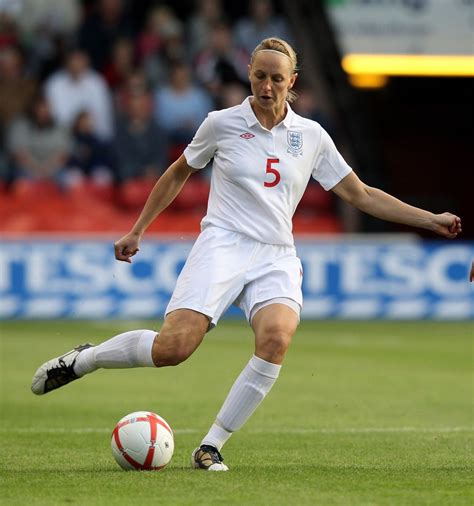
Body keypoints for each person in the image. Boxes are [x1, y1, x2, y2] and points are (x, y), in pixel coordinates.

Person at [31, 38, 462, 471]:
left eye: (277, 79)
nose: (267, 86)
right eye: (260, 76)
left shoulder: (310, 135)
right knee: (173, 349)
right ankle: (85, 359)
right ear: (250, 75)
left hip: (276, 253)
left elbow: (360, 193)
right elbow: (180, 171)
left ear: (292, 81)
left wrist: (429, 220)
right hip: (223, 243)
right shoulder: (221, 123)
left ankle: (211, 446)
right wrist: (138, 228)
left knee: (276, 338)